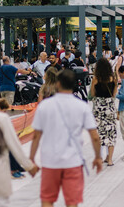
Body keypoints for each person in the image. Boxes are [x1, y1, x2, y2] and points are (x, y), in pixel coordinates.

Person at [30, 69, 103, 207]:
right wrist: (98, 157)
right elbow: (94, 137)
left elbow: (36, 136)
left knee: (47, 199)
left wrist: (31, 159)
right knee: (72, 202)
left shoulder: (45, 106)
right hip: (73, 162)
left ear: (57, 84)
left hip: (50, 161)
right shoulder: (82, 106)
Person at [89, 58, 117, 166]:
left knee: (99, 132)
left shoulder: (96, 78)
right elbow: (114, 93)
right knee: (111, 132)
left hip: (99, 106)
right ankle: (109, 159)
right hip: (110, 106)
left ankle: (99, 158)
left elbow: (92, 93)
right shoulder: (113, 77)